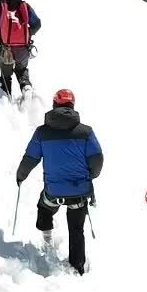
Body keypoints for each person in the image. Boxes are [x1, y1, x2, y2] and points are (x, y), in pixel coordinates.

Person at [15, 88, 102, 273]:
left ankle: (47, 242)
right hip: (80, 193)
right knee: (77, 229)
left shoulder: (42, 133)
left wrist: (21, 175)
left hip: (53, 193)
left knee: (45, 208)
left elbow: (31, 158)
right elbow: (97, 159)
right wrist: (90, 177)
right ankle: (77, 266)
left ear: (54, 105)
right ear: (72, 105)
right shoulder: (86, 132)